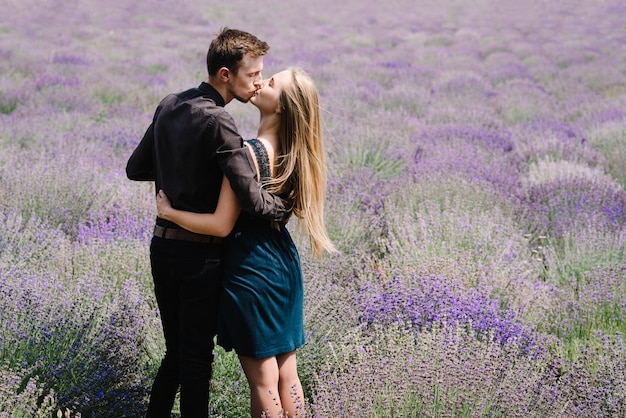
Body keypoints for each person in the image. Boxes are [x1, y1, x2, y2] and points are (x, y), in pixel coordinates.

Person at [126, 28, 289, 418]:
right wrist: (286, 207)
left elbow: (136, 168)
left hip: (161, 248)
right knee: (197, 360)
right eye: (252, 75)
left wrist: (176, 181)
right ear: (224, 74)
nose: (258, 82)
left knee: (175, 354)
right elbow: (251, 200)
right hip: (200, 257)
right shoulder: (220, 123)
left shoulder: (169, 104)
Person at [155, 67, 336, 417]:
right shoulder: (297, 154)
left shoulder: (249, 154)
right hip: (282, 262)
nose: (260, 83)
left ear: (282, 105)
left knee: (264, 380)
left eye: (270, 83)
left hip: (250, 267)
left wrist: (169, 212)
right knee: (287, 373)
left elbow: (221, 225)